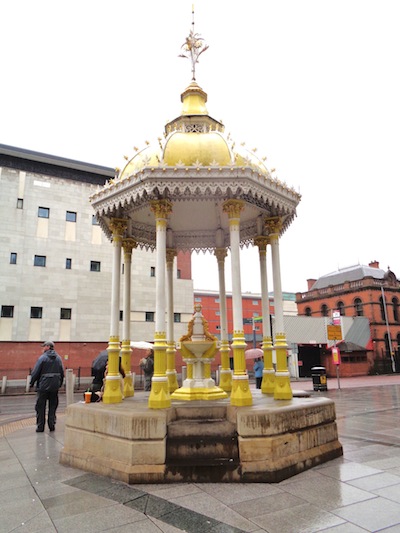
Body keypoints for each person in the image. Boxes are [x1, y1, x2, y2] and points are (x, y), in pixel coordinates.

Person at [30, 341, 65, 432]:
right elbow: (62, 373)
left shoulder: (42, 358)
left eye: (44, 346)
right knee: (53, 406)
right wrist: (59, 383)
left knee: (40, 407)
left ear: (48, 347)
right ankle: (51, 424)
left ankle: (40, 426)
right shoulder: (58, 358)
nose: (43, 348)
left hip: (43, 386)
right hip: (54, 386)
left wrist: (31, 383)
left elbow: (36, 372)